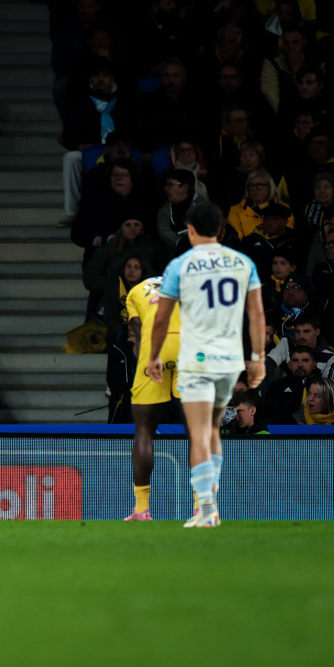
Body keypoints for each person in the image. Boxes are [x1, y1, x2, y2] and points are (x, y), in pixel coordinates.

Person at [147, 204, 265, 528]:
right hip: (229, 360)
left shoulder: (180, 265)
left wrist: (154, 356)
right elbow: (256, 314)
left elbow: (160, 319)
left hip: (197, 359)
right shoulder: (243, 262)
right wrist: (258, 358)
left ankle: (207, 508)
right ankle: (211, 505)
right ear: (221, 228)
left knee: (199, 432)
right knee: (213, 429)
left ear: (190, 229)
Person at [122, 274, 182, 521]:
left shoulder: (136, 291)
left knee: (144, 430)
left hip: (155, 343)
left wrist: (144, 363)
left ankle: (141, 509)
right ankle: (204, 508)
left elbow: (136, 330)